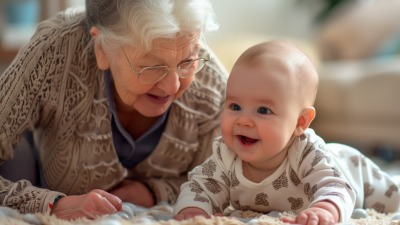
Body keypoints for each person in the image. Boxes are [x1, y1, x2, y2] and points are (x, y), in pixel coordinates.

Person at [0, 0, 227, 220]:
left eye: (186, 62)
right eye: (152, 66)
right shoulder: (53, 51)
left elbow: (234, 182)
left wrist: (155, 191)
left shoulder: (212, 87)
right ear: (102, 48)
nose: (173, 86)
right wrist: (52, 204)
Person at [173, 40, 400, 225]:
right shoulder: (225, 154)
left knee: (393, 197)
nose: (243, 120)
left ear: (300, 122)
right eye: (234, 106)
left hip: (354, 172)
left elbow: (335, 186)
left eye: (263, 110)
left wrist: (325, 209)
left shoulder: (306, 152)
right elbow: (200, 186)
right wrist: (193, 210)